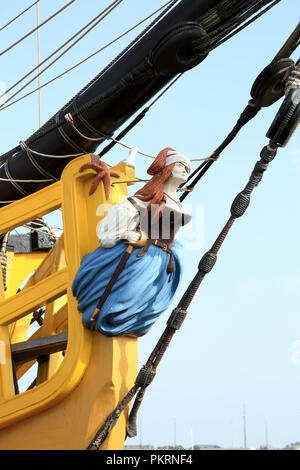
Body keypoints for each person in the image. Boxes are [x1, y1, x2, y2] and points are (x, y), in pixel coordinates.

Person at [72, 147, 192, 337]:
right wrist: (126, 233)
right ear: (167, 169)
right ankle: (106, 317)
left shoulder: (178, 204)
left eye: (188, 167)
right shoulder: (147, 197)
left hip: (164, 262)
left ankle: (133, 324)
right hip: (142, 256)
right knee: (124, 300)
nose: (186, 169)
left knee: (150, 305)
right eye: (180, 164)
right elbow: (112, 224)